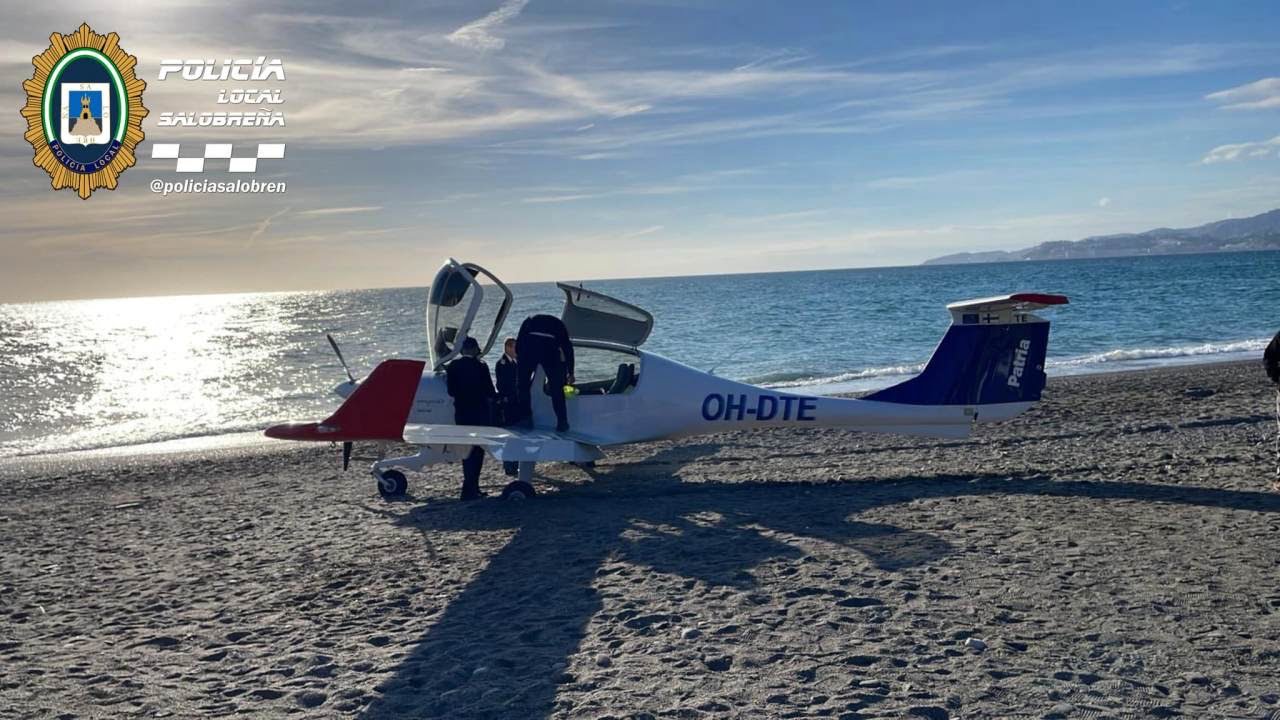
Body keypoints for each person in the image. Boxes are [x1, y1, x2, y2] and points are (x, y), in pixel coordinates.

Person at [446, 336, 496, 500]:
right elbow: (489, 390)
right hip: (479, 413)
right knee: (477, 452)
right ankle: (472, 487)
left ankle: (469, 488)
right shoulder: (481, 366)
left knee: (466, 452)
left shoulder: (453, 366)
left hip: (461, 413)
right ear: (474, 349)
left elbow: (451, 391)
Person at [515, 314, 575, 432]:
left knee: (522, 385)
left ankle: (526, 419)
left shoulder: (529, 321)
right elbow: (567, 348)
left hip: (529, 348)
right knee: (557, 389)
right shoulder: (558, 325)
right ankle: (562, 422)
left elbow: (519, 344)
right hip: (549, 350)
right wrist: (570, 371)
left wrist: (520, 360)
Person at [494, 337, 521, 476]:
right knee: (510, 434)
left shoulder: (517, 362)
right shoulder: (502, 363)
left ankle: (515, 463)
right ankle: (509, 465)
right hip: (508, 403)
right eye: (515, 347)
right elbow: (501, 384)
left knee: (518, 433)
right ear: (508, 348)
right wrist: (508, 397)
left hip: (517, 403)